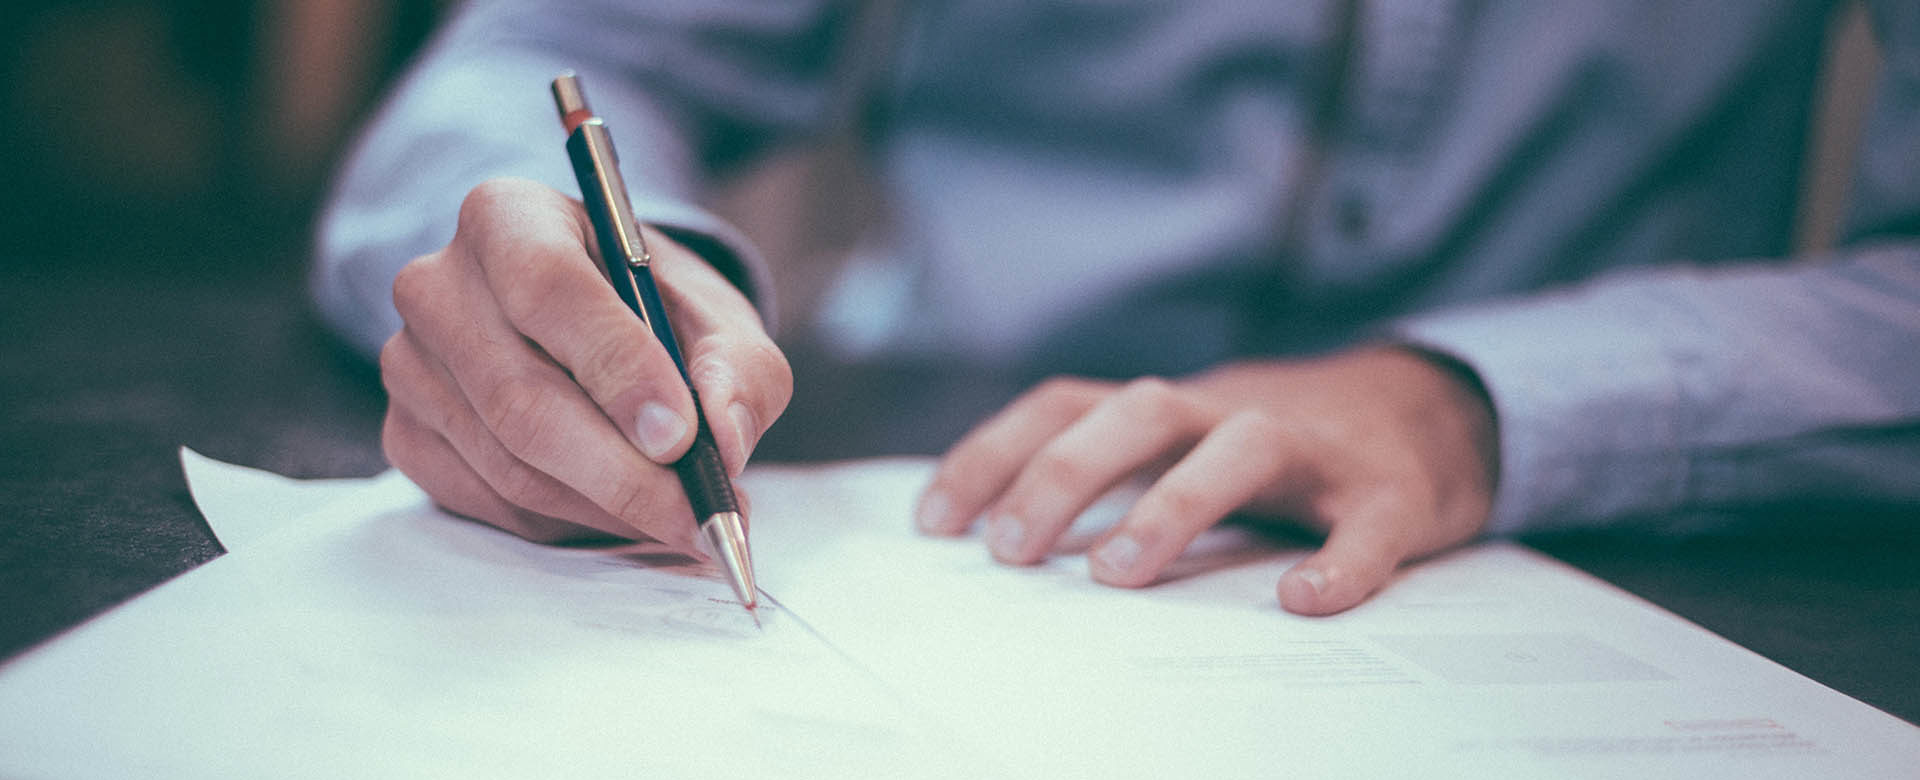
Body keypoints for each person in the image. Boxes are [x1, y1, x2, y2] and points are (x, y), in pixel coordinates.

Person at [312, 1, 1920, 615]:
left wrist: (1475, 398)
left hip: (1624, 553)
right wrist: (602, 279)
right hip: (940, 486)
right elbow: (567, 50)